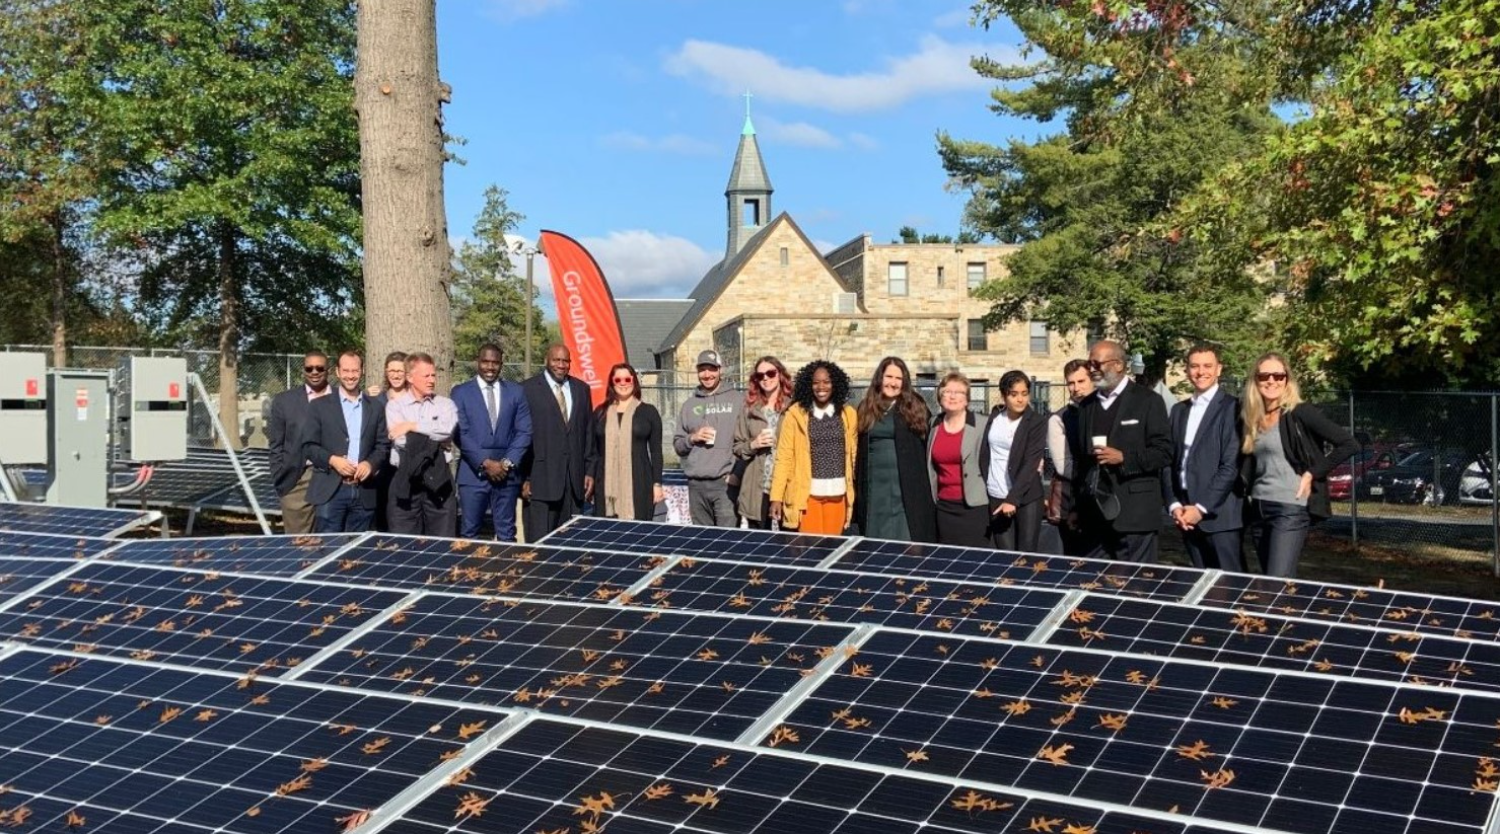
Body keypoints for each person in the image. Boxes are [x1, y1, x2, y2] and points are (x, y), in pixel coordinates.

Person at [1238, 352, 1358, 577]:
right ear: (1255, 380)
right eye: (1264, 376)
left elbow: (1349, 444)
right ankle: (1285, 613)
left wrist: (1312, 473)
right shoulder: (1251, 416)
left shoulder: (1299, 412)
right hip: (1260, 507)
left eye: (1278, 376)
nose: (1271, 381)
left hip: (1289, 508)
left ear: (1287, 380)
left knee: (1277, 580)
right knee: (1272, 581)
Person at [1070, 339, 1172, 562]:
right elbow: (1081, 461)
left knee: (1137, 585)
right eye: (1090, 364)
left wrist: (1124, 458)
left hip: (1135, 513)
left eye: (1097, 364)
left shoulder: (1148, 401)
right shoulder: (1087, 406)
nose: (1092, 369)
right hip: (1095, 517)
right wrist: (1077, 507)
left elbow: (1163, 452)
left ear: (1118, 364)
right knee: (1095, 583)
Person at [1161, 345, 1245, 571]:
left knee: (1232, 589)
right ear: (1187, 370)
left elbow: (1230, 466)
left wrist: (1201, 508)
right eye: (1195, 366)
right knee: (1203, 591)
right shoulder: (1179, 410)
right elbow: (1169, 462)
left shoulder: (1233, 408)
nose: (1201, 372)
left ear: (1219, 369)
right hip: (1185, 515)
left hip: (1219, 517)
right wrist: (1174, 504)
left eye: (1207, 366)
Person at [452, 343, 533, 541]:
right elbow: (460, 433)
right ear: (477, 362)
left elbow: (524, 431)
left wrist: (505, 464)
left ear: (501, 364)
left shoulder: (516, 392)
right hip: (473, 475)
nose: (490, 367)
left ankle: (504, 572)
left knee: (506, 533)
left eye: (495, 363)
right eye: (485, 362)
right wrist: (486, 463)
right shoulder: (460, 392)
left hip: (507, 476)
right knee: (470, 533)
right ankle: (469, 573)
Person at [302, 351, 389, 533]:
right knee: (328, 548)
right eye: (346, 371)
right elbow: (308, 446)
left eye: (355, 371)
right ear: (338, 372)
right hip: (331, 489)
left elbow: (382, 445)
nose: (351, 376)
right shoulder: (319, 406)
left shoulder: (376, 407)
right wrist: (332, 460)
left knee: (358, 552)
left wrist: (370, 463)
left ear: (362, 371)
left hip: (364, 490)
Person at [853, 356, 936, 541]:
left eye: (898, 379)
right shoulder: (866, 408)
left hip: (905, 485)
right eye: (889, 377)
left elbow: (926, 445)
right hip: (874, 486)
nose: (893, 383)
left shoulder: (915, 407)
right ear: (880, 378)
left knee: (904, 537)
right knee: (875, 538)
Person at [770, 360, 857, 534]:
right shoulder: (795, 414)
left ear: (835, 384)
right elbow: (784, 457)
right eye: (815, 383)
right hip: (807, 497)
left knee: (833, 552)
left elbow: (853, 455)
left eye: (826, 382)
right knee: (808, 552)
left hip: (838, 494)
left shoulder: (848, 414)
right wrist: (776, 497)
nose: (821, 387)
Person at [519, 344, 594, 541]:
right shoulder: (526, 389)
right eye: (556, 360)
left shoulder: (581, 390)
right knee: (540, 546)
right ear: (547, 360)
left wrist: (588, 471)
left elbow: (588, 433)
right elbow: (521, 436)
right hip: (540, 483)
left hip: (573, 483)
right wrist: (523, 478)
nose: (561, 365)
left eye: (565, 361)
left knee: (571, 546)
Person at [385, 352, 459, 536]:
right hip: (406, 480)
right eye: (426, 376)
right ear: (410, 377)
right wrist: (436, 440)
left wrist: (411, 425)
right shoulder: (395, 406)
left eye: (433, 375)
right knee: (404, 546)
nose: (432, 380)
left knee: (442, 545)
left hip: (439, 479)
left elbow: (447, 430)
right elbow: (401, 441)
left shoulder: (445, 405)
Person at [981, 370, 1048, 552]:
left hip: (1025, 496)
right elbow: (985, 453)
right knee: (1005, 554)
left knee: (1025, 556)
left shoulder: (1036, 421)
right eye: (1014, 394)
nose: (1020, 399)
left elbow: (1031, 463)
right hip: (996, 493)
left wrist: (1013, 499)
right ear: (1004, 395)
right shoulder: (994, 417)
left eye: (1024, 394)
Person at [267, 350, 332, 534]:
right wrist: (280, 476)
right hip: (297, 479)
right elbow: (276, 444)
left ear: (328, 370)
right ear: (303, 370)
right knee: (299, 545)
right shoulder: (284, 401)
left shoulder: (341, 398)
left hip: (334, 476)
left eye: (319, 368)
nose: (314, 372)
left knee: (333, 541)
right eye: (309, 368)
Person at [673, 349, 740, 527]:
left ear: (720, 370)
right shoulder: (689, 405)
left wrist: (736, 473)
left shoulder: (737, 401)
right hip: (696, 485)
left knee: (728, 542)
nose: (707, 374)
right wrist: (692, 438)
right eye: (702, 370)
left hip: (725, 484)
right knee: (703, 542)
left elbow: (745, 442)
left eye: (712, 369)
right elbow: (678, 445)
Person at [589, 363, 664, 521]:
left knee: (638, 534)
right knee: (606, 535)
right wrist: (590, 477)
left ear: (634, 381)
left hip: (639, 484)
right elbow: (593, 451)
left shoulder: (648, 412)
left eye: (627, 379)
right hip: (605, 486)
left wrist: (657, 484)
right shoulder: (600, 413)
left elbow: (656, 452)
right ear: (612, 383)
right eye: (618, 379)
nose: (623, 383)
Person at [926, 372, 989, 547]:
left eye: (959, 392)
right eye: (947, 391)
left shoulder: (982, 424)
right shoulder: (933, 424)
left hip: (974, 508)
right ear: (940, 396)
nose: (952, 396)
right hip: (944, 506)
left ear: (967, 399)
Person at [733, 356, 792, 529]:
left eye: (770, 373)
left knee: (787, 546)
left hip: (785, 487)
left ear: (780, 375)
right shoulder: (750, 410)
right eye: (760, 376)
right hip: (757, 489)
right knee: (760, 545)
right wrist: (754, 444)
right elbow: (737, 446)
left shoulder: (793, 408)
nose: (765, 378)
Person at [1047, 359, 1094, 555]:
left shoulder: (1105, 411)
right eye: (1071, 383)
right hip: (1072, 498)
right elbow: (1062, 465)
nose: (1076, 388)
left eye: (1081, 381)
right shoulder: (1060, 418)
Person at [369, 350, 407, 532]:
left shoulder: (415, 398)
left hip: (407, 466)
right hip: (383, 467)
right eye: (392, 371)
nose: (396, 375)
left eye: (400, 370)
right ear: (385, 372)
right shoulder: (376, 399)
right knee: (383, 516)